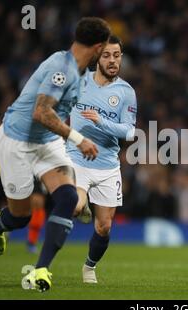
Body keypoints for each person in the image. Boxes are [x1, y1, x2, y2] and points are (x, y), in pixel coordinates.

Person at [0, 17, 110, 292]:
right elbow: (40, 112)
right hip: (15, 142)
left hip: (47, 142)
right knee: (21, 217)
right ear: (99, 47)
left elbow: (60, 113)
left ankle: (40, 270)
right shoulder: (61, 68)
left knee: (66, 198)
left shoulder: (79, 72)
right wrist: (78, 140)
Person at [68, 36, 137, 283]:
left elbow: (129, 132)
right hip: (76, 159)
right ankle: (81, 203)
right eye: (107, 55)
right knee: (75, 205)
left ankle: (89, 267)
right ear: (97, 56)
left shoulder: (126, 92)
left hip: (108, 166)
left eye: (117, 56)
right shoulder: (79, 81)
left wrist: (100, 121)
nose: (112, 61)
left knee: (104, 227)